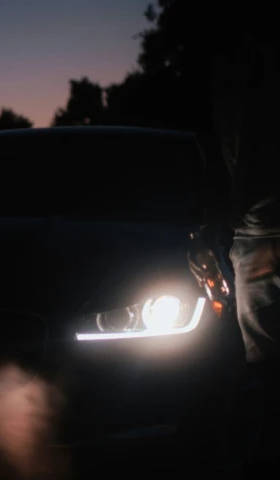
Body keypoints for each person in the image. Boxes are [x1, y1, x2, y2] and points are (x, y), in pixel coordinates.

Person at [205, 5, 280, 472]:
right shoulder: (233, 66)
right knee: (264, 359)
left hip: (254, 229)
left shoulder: (239, 66)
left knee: (265, 359)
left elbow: (236, 146)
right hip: (253, 230)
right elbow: (229, 149)